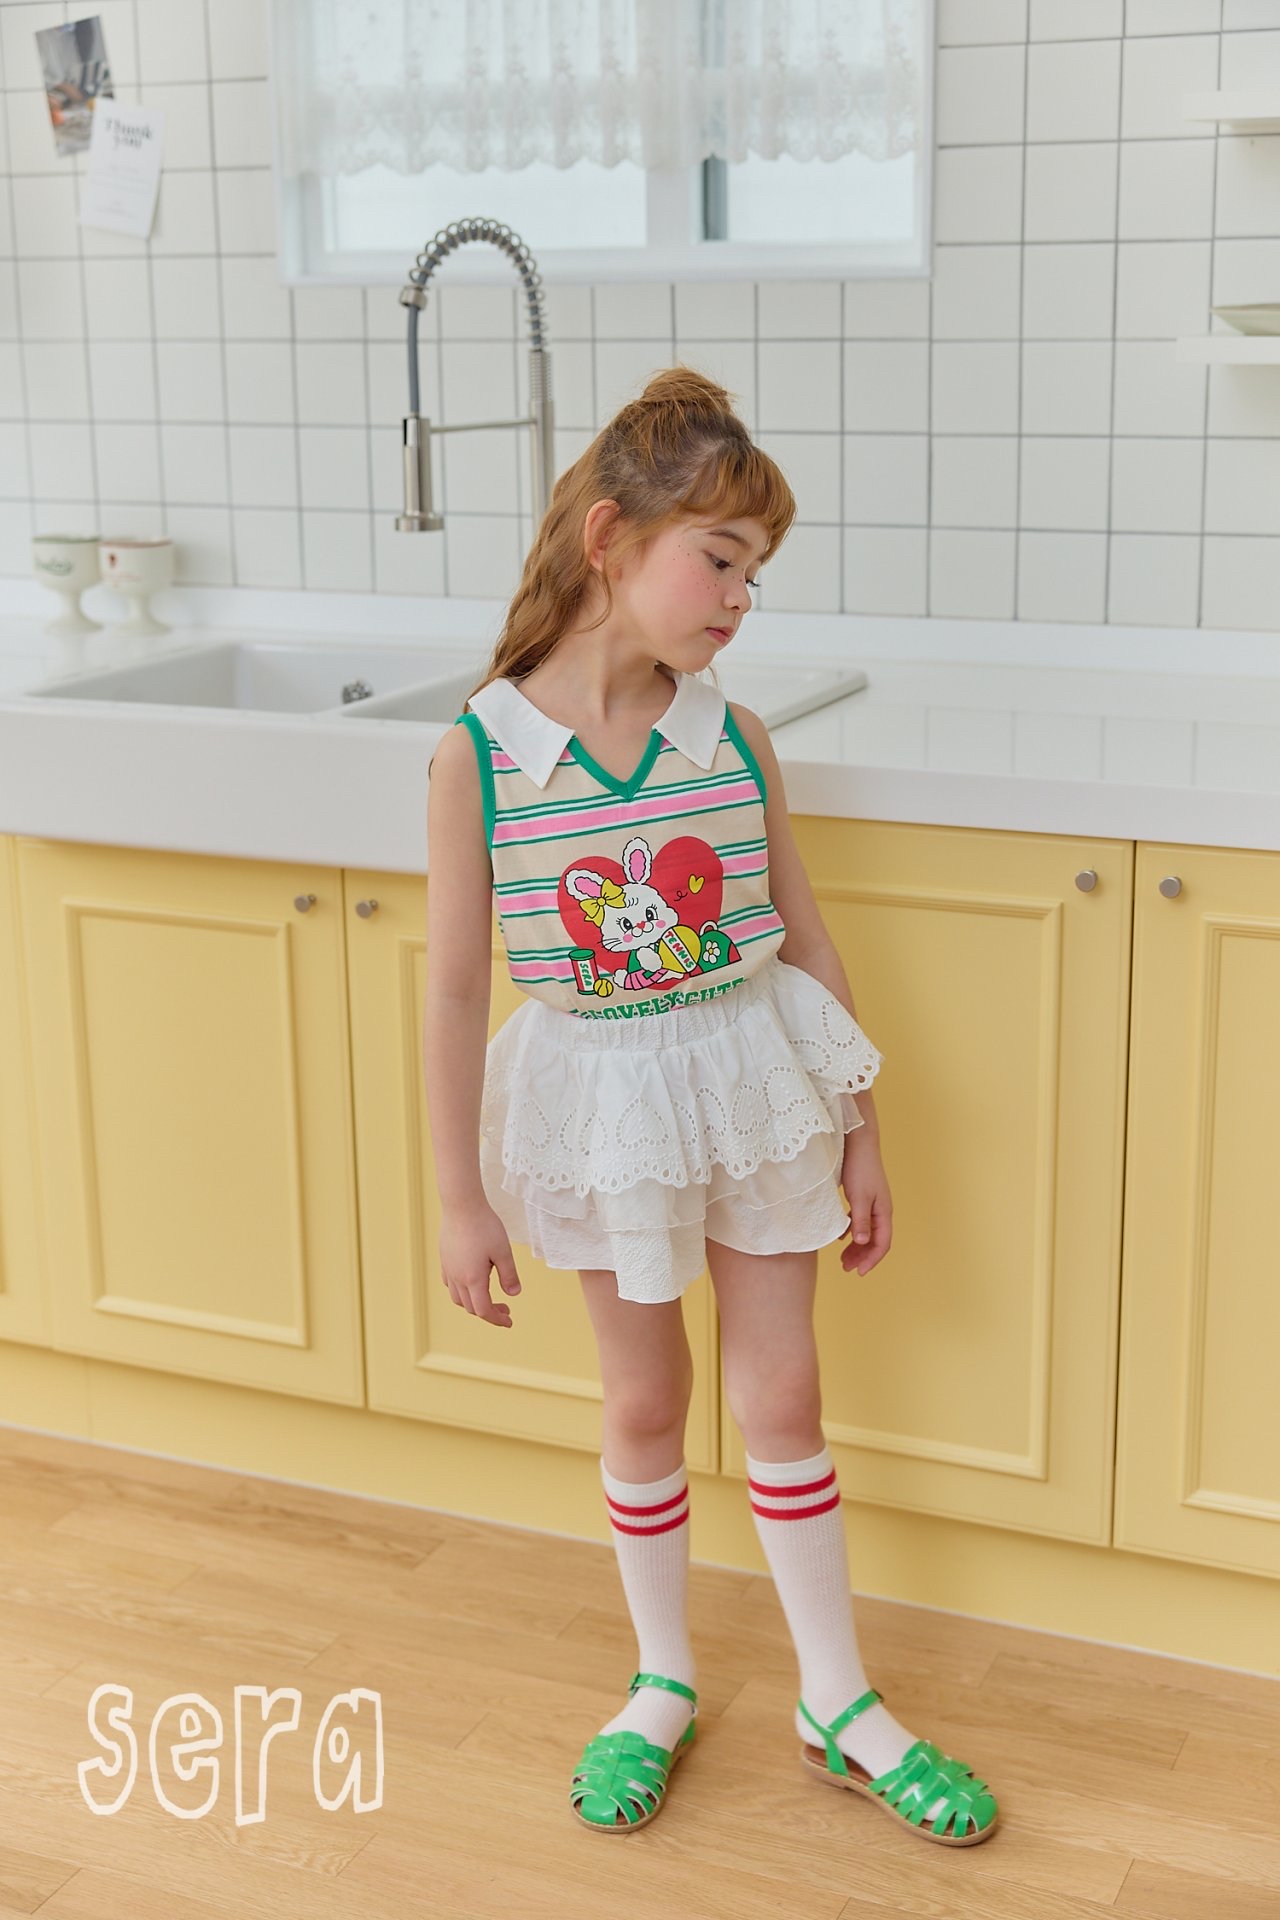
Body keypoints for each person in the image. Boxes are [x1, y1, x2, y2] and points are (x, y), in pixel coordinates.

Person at [422, 365, 999, 1846]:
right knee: (644, 1402)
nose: (742, 601)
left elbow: (804, 938)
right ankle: (663, 1679)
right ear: (611, 540)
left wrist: (863, 1130)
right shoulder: (481, 755)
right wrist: (459, 1195)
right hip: (605, 1109)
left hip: (755, 1087)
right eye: (722, 562)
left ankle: (837, 1698)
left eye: (756, 574)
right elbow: (454, 993)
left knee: (784, 1396)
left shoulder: (731, 739)